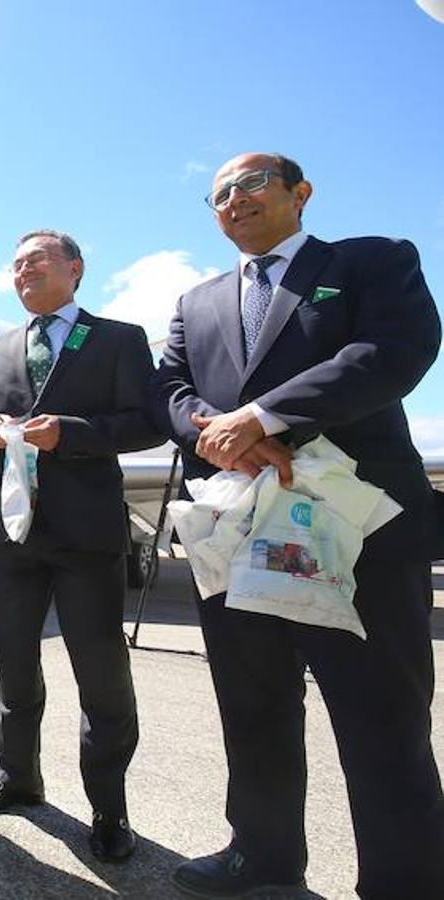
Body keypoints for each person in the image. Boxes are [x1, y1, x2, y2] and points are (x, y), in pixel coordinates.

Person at [154, 153, 442, 898]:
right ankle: (262, 854)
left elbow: (390, 352)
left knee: (381, 720)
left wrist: (265, 416)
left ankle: (404, 879)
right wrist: (216, 429)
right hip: (237, 531)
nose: (231, 200)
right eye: (217, 194)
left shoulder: (370, 261)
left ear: (298, 193)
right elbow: (172, 389)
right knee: (252, 709)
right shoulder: (196, 301)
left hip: (357, 536)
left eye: (248, 184)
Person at [0, 230, 161, 863]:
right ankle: (17, 776)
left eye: (35, 261)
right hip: (6, 534)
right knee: (13, 666)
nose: (22, 272)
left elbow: (148, 423)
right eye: (15, 264)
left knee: (100, 674)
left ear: (75, 268)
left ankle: (108, 807)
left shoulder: (119, 340)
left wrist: (67, 433)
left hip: (85, 536)